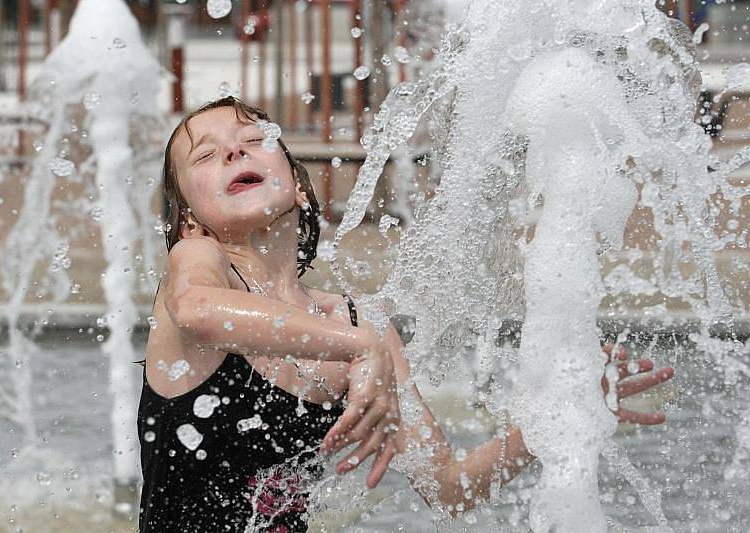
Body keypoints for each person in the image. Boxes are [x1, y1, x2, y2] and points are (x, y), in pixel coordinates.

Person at [137, 96, 674, 532]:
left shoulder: (358, 324)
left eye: (255, 141)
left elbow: (447, 487)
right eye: (206, 156)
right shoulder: (199, 263)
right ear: (188, 220)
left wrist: (551, 422)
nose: (235, 153)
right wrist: (357, 347)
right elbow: (196, 309)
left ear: (300, 189)